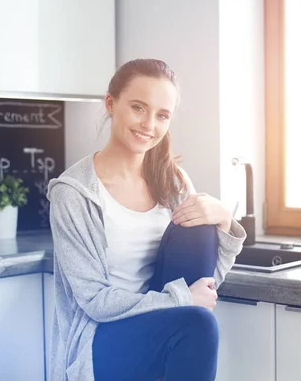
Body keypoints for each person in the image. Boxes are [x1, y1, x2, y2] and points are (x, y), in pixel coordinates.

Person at [46, 58, 246, 381]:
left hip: (159, 322)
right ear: (111, 104)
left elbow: (204, 288)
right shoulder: (73, 193)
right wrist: (182, 299)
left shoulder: (173, 182)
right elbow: (95, 301)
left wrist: (223, 221)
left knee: (199, 309)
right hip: (101, 338)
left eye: (162, 115)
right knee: (200, 323)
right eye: (138, 108)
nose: (149, 124)